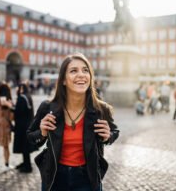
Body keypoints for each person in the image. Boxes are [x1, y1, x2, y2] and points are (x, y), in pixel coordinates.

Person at [27, 53, 119, 191]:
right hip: (54, 177)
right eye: (73, 71)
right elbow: (30, 137)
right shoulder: (47, 107)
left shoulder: (101, 109)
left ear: (90, 77)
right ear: (63, 80)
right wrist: (42, 133)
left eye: (85, 70)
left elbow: (114, 131)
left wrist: (108, 136)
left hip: (88, 178)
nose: (81, 74)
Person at [13, 83, 36, 173]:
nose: (16, 89)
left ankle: (28, 167)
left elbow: (18, 112)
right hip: (28, 124)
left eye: (18, 88)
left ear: (21, 88)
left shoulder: (22, 97)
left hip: (22, 126)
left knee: (24, 146)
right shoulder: (28, 96)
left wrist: (9, 106)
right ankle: (25, 163)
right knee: (25, 146)